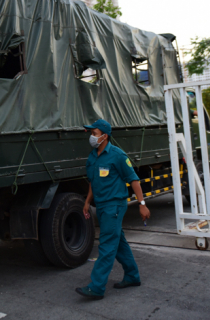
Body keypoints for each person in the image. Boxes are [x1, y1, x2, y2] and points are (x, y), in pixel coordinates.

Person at [75, 119, 150, 300]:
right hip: (101, 205)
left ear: (104, 135)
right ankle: (132, 276)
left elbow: (134, 180)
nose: (92, 137)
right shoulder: (93, 156)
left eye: (94, 134)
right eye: (91, 134)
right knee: (118, 242)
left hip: (114, 206)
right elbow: (93, 181)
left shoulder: (117, 155)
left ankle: (97, 287)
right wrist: (87, 202)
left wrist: (142, 204)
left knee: (107, 245)